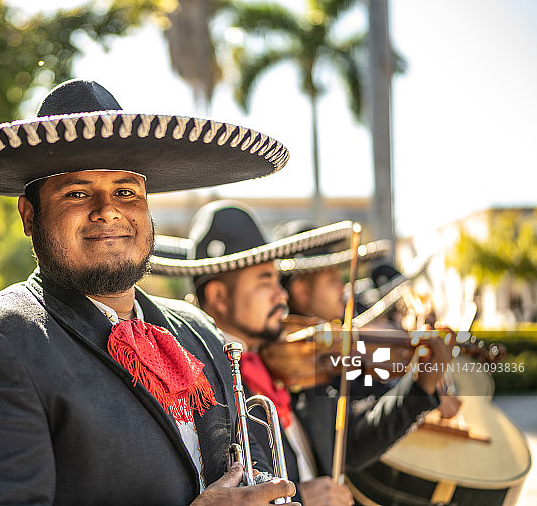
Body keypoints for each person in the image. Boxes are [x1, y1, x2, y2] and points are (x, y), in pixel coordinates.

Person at [0, 80, 298, 505]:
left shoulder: (201, 334)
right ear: (29, 216)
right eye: (77, 193)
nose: (107, 209)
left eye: (126, 191)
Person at [150, 200, 454, 506]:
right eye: (265, 279)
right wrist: (301, 496)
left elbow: (347, 447)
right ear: (218, 296)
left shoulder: (287, 361)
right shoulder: (197, 384)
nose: (281, 293)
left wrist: (419, 386)